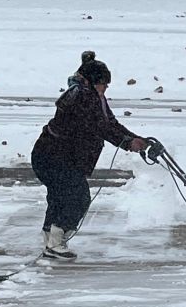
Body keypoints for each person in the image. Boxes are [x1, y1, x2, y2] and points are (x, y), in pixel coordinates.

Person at [31, 51, 149, 259]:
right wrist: (128, 143)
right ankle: (55, 242)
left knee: (61, 197)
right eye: (104, 84)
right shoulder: (83, 98)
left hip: (52, 156)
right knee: (78, 197)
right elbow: (101, 127)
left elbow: (110, 123)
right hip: (54, 157)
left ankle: (51, 239)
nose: (106, 88)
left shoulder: (91, 96)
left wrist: (135, 138)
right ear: (92, 82)